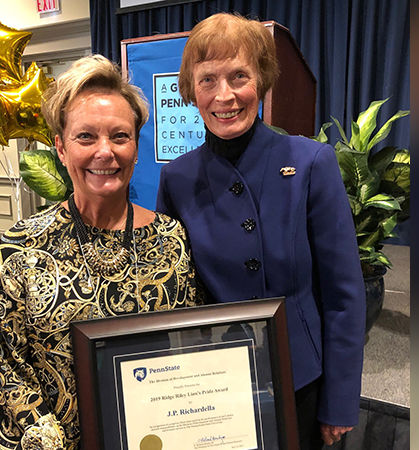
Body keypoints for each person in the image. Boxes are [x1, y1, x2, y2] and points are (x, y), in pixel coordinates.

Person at [156, 13, 365, 449]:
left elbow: (344, 294)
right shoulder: (177, 177)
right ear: (191, 91)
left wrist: (340, 400)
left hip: (300, 375)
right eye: (208, 80)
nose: (224, 95)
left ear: (263, 81)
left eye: (239, 77)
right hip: (213, 380)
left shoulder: (311, 162)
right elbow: (173, 291)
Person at [0, 54, 204, 450]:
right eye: (86, 137)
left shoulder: (171, 240)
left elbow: (185, 349)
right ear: (61, 148)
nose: (106, 152)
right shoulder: (19, 249)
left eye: (120, 136)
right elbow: (7, 369)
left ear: (136, 146)